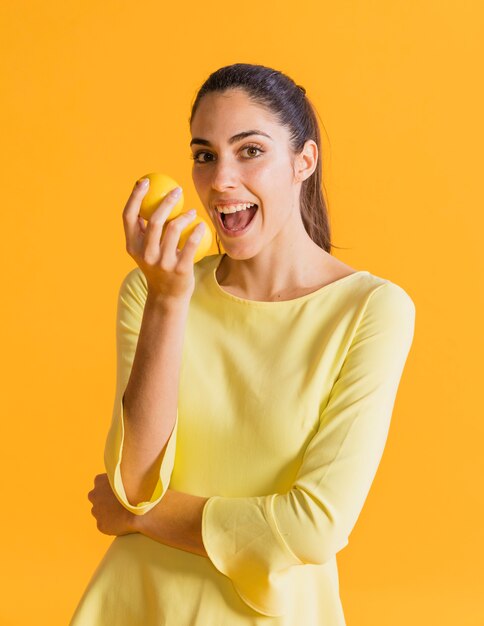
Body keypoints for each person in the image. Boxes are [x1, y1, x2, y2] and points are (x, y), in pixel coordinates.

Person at [69, 63, 416, 626]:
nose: (220, 180)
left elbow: (313, 527)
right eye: (204, 155)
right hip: (135, 605)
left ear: (303, 161)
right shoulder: (153, 290)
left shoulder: (371, 310)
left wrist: (144, 520)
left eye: (249, 150)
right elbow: (133, 481)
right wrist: (169, 299)